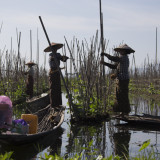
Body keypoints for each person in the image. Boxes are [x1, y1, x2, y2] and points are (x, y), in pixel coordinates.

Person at [101, 44, 135, 116]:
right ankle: (122, 112)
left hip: (123, 79)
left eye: (121, 50)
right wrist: (104, 63)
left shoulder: (124, 58)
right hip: (120, 79)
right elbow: (114, 66)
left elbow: (113, 58)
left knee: (123, 95)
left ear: (125, 51)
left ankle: (126, 111)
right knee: (119, 95)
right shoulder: (121, 59)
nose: (119, 51)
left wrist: (105, 54)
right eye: (120, 50)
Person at [44, 42, 69, 109]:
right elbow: (52, 59)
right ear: (51, 49)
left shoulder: (58, 55)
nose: (55, 49)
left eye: (55, 48)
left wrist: (65, 58)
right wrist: (56, 58)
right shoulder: (51, 55)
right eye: (53, 48)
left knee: (58, 88)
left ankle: (58, 104)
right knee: (53, 88)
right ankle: (53, 105)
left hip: (57, 72)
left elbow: (63, 59)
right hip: (53, 72)